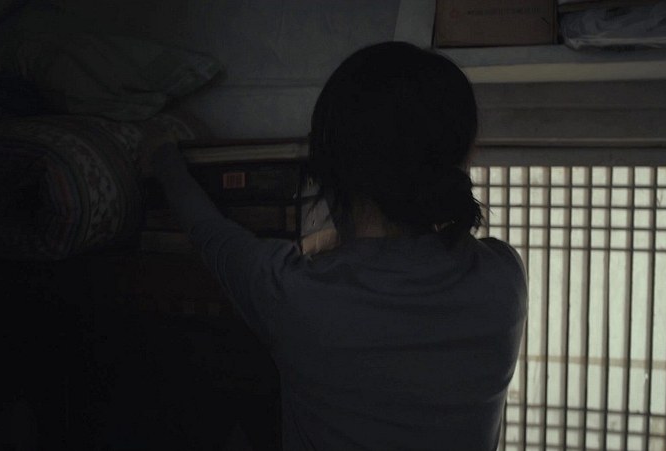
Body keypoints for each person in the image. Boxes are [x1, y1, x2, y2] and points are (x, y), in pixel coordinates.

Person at [149, 41, 527, 451]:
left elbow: (208, 231)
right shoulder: (504, 279)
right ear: (462, 154)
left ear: (331, 165)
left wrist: (162, 151)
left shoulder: (298, 295)